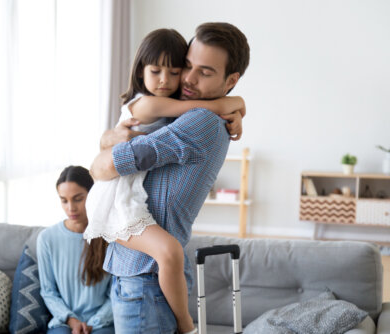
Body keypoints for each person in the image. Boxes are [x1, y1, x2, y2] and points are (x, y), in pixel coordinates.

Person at [90, 22, 250, 334]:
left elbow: (105, 167)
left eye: (204, 72)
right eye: (187, 66)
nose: (187, 79)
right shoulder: (183, 111)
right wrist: (238, 104)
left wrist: (100, 157)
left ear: (231, 80)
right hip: (140, 278)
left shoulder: (201, 121)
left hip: (145, 282)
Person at [37, 166, 114, 334]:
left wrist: (94, 323)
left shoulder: (110, 236)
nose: (70, 208)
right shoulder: (47, 239)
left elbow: (116, 291)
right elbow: (48, 291)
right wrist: (72, 321)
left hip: (102, 324)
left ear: (92, 195)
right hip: (64, 323)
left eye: (78, 199)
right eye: (64, 200)